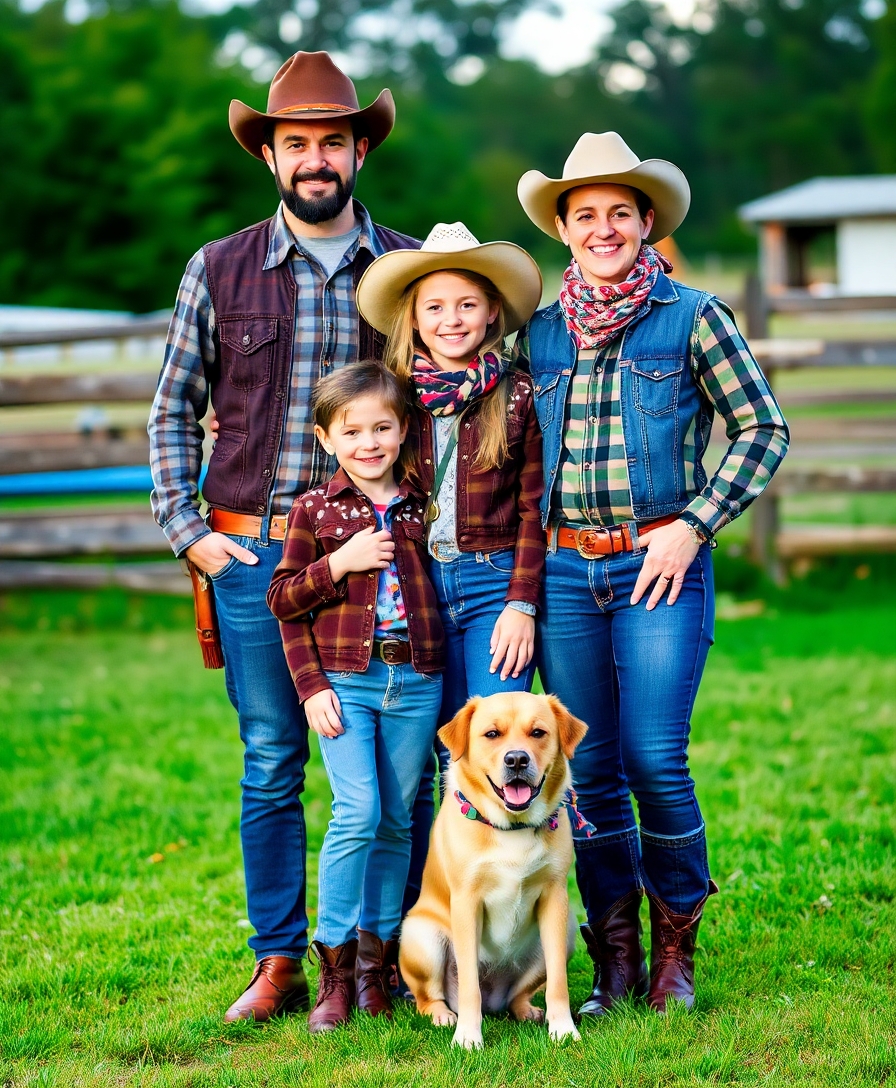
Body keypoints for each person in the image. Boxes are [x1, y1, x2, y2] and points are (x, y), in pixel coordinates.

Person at [147, 50, 420, 1022]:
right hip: (253, 551)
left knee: (400, 760)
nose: (315, 159)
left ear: (358, 152)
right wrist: (190, 532)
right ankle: (279, 960)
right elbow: (173, 411)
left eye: (332, 142)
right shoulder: (215, 268)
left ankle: (386, 954)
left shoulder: (407, 267)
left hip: (384, 552)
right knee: (272, 755)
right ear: (269, 156)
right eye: (295, 142)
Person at [514, 132, 790, 1014]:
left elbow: (763, 428)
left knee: (653, 760)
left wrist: (694, 526)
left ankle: (676, 953)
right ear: (563, 229)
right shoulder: (540, 334)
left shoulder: (693, 315)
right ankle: (616, 960)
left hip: (659, 567)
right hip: (563, 571)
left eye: (619, 214)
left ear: (645, 222)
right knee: (588, 773)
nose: (603, 229)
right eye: (584, 214)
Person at [355, 223, 546, 910]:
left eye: (467, 304)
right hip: (412, 591)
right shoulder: (390, 399)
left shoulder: (517, 396)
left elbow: (533, 511)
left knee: (488, 756)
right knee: (416, 768)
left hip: (493, 584)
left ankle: (497, 929)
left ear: (492, 310)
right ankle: (417, 925)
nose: (451, 320)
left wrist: (521, 602)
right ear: (413, 316)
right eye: (434, 306)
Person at [266, 360, 443, 1033]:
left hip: (417, 679)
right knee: (358, 811)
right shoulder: (315, 510)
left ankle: (377, 968)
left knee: (398, 817)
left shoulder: (424, 503)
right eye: (352, 430)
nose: (368, 442)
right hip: (347, 680)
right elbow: (284, 602)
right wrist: (338, 565)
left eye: (382, 428)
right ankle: (336, 974)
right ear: (326, 438)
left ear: (403, 432)